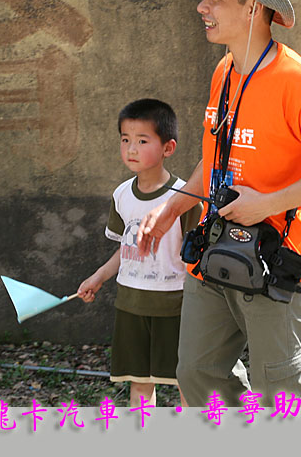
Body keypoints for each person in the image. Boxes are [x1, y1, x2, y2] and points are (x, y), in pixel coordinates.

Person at [136, 0, 301, 407]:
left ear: (253, 6)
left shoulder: (299, 80)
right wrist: (171, 208)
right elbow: (215, 159)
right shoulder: (224, 72)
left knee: (282, 388)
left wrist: (267, 203)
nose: (202, 7)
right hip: (215, 246)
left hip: (274, 255)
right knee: (197, 372)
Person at [77, 98, 201, 407]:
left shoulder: (185, 198)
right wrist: (98, 276)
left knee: (186, 382)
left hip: (175, 306)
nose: (131, 149)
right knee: (140, 384)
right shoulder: (121, 195)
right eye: (125, 140)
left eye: (142, 140)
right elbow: (125, 248)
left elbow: (198, 256)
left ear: (167, 148)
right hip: (131, 304)